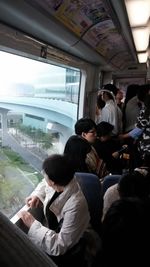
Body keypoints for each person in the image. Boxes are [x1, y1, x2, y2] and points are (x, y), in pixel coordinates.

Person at [19, 154, 91, 267]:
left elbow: (60, 245)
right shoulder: (63, 180)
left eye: (45, 175)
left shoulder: (76, 205)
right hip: (54, 232)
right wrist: (37, 195)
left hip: (69, 250)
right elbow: (44, 184)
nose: (44, 177)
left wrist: (33, 225)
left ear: (52, 181)